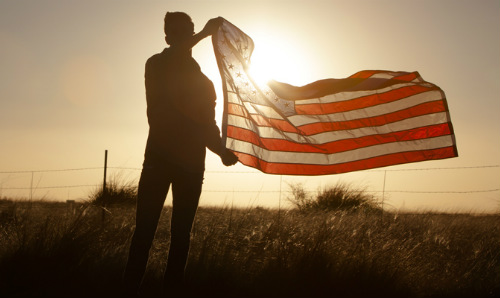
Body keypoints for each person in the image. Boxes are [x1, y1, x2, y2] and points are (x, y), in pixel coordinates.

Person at [122, 11, 238, 296]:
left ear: (190, 31)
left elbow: (208, 128)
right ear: (167, 37)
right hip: (157, 164)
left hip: (191, 168)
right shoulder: (156, 64)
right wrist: (204, 35)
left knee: (181, 237)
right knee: (144, 233)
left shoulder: (205, 83)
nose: (181, 36)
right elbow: (175, 59)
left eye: (186, 30)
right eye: (175, 32)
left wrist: (223, 151)